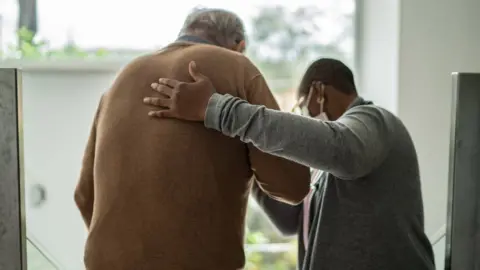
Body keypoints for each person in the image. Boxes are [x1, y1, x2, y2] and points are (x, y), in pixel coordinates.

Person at [143, 58, 436, 270]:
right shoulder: (326, 165)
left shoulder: (374, 121)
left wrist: (218, 110)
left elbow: (342, 151)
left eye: (302, 106)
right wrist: (252, 156)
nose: (305, 115)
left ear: (318, 92)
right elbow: (290, 220)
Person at [74, 8, 310, 270]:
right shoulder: (238, 67)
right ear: (239, 46)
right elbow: (292, 185)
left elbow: (84, 196)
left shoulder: (123, 78)